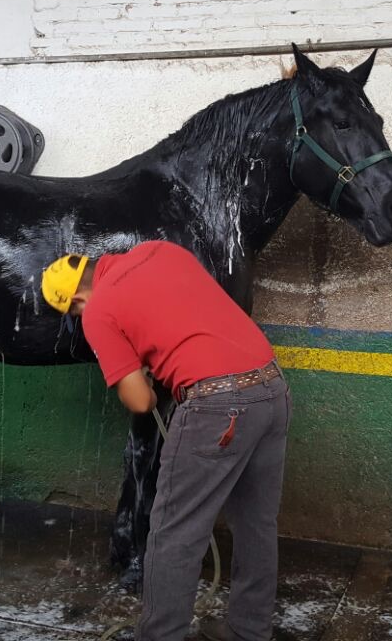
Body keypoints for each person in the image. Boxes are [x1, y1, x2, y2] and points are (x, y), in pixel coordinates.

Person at [41, 240, 291, 641]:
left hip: (217, 405)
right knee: (256, 524)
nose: (78, 315)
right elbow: (184, 311)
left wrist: (139, 376)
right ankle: (249, 631)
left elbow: (141, 400)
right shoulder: (159, 250)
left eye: (73, 310)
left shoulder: (98, 310)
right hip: (272, 388)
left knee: (174, 531)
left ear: (75, 300)